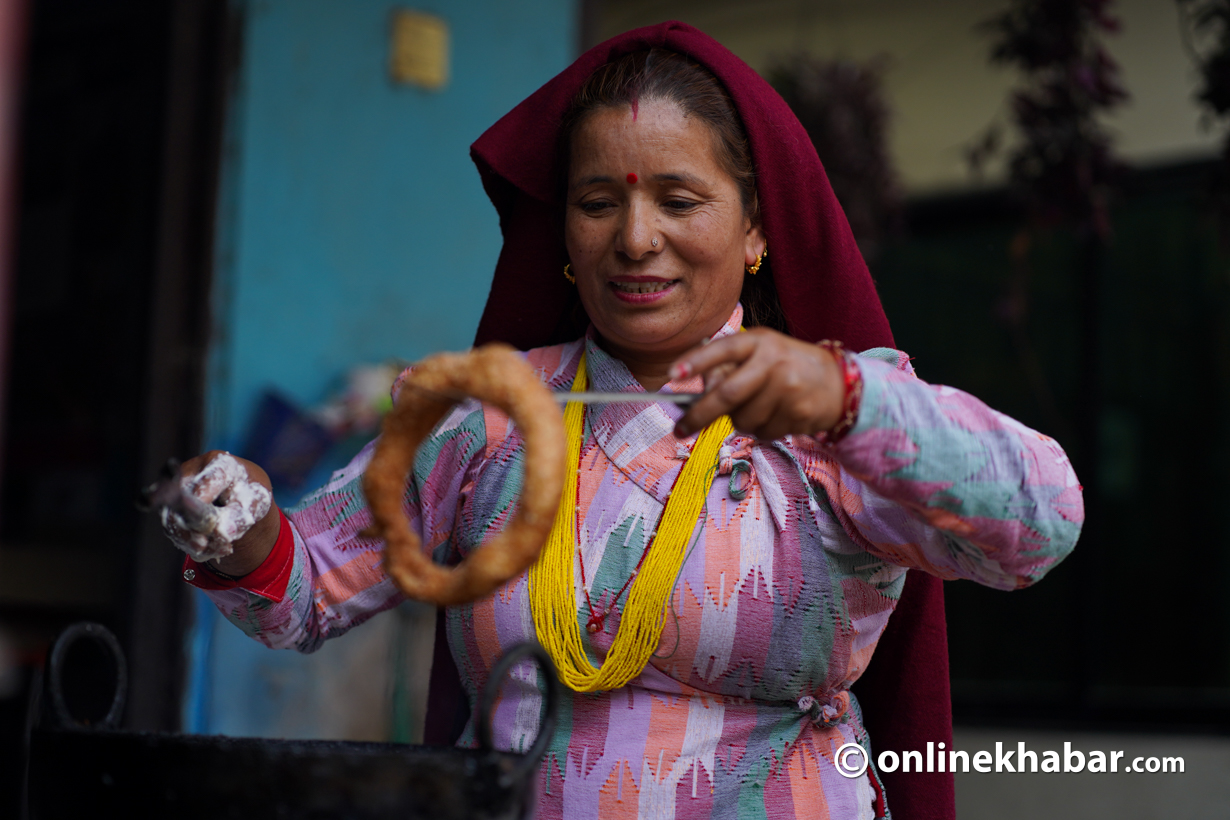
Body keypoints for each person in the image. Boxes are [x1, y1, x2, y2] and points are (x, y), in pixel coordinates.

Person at [165, 22, 1083, 820]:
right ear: (564, 233)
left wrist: (851, 401)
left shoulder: (832, 418)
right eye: (599, 203)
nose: (635, 239)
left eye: (679, 201)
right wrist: (236, 525)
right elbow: (303, 592)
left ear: (757, 230)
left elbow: (1042, 526)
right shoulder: (484, 417)